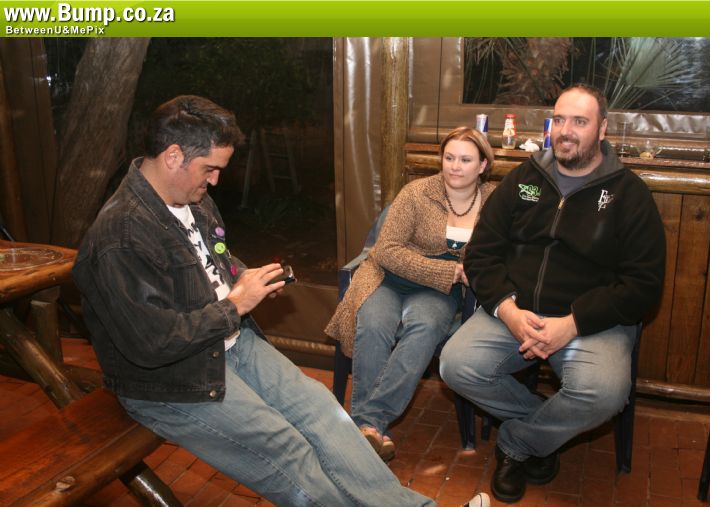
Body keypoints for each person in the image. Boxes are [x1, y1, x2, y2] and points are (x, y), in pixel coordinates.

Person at [73, 96, 490, 507]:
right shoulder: (121, 236)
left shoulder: (192, 199)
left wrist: (244, 276)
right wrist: (236, 305)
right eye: (210, 169)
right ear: (173, 156)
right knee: (284, 444)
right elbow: (152, 344)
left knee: (324, 412)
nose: (214, 181)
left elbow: (214, 259)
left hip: (231, 343)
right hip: (172, 378)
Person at [440, 84, 666, 503]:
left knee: (604, 393)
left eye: (580, 121)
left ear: (602, 129)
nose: (566, 130)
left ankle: (518, 443)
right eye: (559, 119)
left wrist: (574, 322)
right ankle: (545, 423)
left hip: (590, 324)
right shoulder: (524, 179)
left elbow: (644, 284)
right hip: (516, 313)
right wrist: (508, 310)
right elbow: (482, 253)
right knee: (456, 365)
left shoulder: (629, 195)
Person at [325, 126, 496, 461]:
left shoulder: (493, 202)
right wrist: (449, 271)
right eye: (449, 157)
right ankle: (372, 428)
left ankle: (367, 423)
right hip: (387, 279)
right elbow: (386, 251)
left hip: (438, 292)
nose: (455, 166)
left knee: (425, 327)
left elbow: (496, 253)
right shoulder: (416, 193)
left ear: (483, 165)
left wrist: (465, 272)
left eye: (465, 160)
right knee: (374, 324)